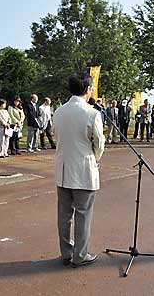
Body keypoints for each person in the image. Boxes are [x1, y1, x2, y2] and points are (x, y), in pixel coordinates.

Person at [53, 72, 105, 268]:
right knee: (83, 213)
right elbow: (99, 144)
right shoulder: (92, 113)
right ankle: (80, 254)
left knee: (64, 214)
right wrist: (95, 158)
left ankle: (66, 252)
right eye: (91, 88)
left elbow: (56, 135)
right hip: (83, 169)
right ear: (87, 89)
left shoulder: (59, 111)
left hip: (63, 170)